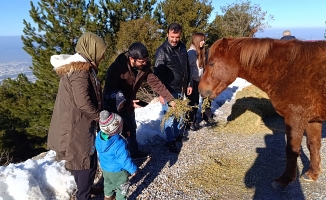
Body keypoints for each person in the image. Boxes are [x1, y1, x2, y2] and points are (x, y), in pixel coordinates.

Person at [47, 32, 107, 200]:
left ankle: (87, 188)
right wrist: (101, 117)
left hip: (79, 122)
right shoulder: (80, 71)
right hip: (76, 125)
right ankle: (84, 195)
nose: (102, 57)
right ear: (92, 49)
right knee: (84, 162)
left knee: (87, 157)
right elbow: (83, 103)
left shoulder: (83, 67)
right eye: (101, 52)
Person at [103, 42, 175, 159]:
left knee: (131, 128)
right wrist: (125, 102)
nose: (145, 63)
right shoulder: (117, 68)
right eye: (142, 62)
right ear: (132, 59)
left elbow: (155, 82)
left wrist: (170, 99)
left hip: (130, 103)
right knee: (114, 132)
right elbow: (112, 90)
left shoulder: (144, 66)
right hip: (113, 103)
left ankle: (134, 153)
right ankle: (114, 160)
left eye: (146, 60)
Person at [154, 22, 192, 153]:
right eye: (172, 37)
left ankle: (176, 135)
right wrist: (161, 93)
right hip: (168, 91)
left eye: (177, 37)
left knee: (179, 115)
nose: (175, 40)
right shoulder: (162, 51)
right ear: (167, 34)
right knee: (170, 117)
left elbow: (187, 67)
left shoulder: (182, 47)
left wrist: (189, 83)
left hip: (181, 89)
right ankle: (170, 141)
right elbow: (157, 75)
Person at [95, 111, 138, 200]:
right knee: (122, 187)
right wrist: (133, 169)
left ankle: (108, 196)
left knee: (108, 183)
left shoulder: (99, 137)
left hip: (106, 169)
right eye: (120, 126)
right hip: (118, 172)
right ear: (115, 129)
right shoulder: (119, 143)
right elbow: (124, 159)